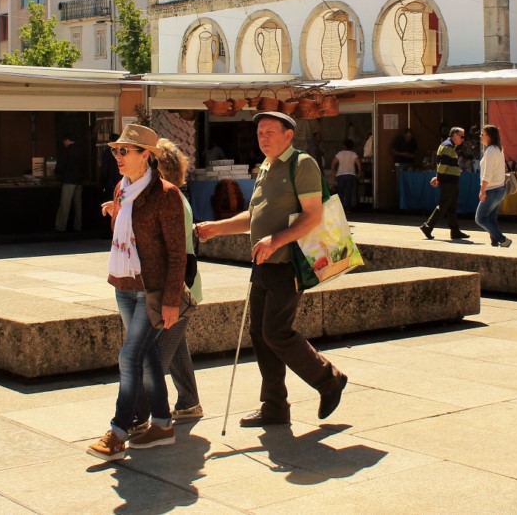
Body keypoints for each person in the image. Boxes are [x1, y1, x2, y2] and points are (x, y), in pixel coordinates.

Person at [196, 111, 348, 428]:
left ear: (288, 135)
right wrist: (216, 228)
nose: (263, 137)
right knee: (260, 335)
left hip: (287, 263)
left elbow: (313, 216)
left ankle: (328, 379)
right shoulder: (266, 167)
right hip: (264, 262)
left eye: (270, 132)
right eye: (260, 133)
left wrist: (275, 240)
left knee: (276, 332)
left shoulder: (302, 163)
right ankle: (275, 406)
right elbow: (254, 216)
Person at [88, 125, 187, 461]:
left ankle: (118, 431)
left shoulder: (167, 194)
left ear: (146, 155)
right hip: (124, 285)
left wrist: (172, 300)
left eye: (125, 151)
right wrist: (117, 213)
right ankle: (162, 424)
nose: (118, 157)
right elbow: (124, 237)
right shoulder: (121, 190)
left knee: (129, 357)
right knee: (144, 358)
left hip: (152, 290)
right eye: (116, 151)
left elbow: (177, 254)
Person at [130, 138, 203, 433]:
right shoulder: (162, 199)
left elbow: (176, 255)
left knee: (156, 356)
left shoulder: (170, 200)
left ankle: (138, 415)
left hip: (176, 291)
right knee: (175, 348)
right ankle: (189, 402)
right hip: (178, 289)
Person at [420, 127, 470, 241]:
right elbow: (443, 165)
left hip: (450, 180)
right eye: (462, 137)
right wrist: (439, 178)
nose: (463, 139)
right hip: (448, 181)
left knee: (451, 207)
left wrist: (439, 177)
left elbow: (443, 165)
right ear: (455, 135)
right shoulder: (447, 146)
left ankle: (455, 231)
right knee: (444, 206)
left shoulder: (449, 146)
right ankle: (427, 226)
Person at [475, 125, 511, 247]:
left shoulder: (490, 151)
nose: (480, 136)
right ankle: (495, 241)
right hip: (499, 188)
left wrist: (482, 190)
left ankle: (502, 239)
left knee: (480, 218)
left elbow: (487, 174)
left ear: (489, 136)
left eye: (482, 134)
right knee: (491, 218)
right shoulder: (499, 149)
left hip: (492, 189)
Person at [55, 134, 88, 234]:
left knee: (65, 204)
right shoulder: (81, 150)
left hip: (69, 180)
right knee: (78, 204)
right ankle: (78, 226)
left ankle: (61, 226)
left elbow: (60, 166)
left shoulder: (67, 151)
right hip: (79, 181)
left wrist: (57, 173)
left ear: (66, 140)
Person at [330, 139, 361, 216]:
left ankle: (340, 209)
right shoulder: (354, 154)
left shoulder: (340, 154)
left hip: (341, 175)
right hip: (351, 175)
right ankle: (348, 209)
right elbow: (358, 163)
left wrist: (333, 172)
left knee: (340, 192)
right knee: (349, 193)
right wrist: (359, 172)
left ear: (344, 146)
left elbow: (333, 163)